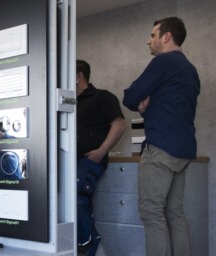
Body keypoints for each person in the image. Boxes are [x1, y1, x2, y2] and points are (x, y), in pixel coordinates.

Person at [122, 17, 200, 256]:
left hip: (161, 148)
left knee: (151, 211)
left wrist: (143, 103)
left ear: (166, 37)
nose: (149, 41)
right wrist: (149, 106)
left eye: (153, 35)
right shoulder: (190, 69)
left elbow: (131, 96)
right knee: (174, 211)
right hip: (184, 149)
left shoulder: (163, 62)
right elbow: (174, 104)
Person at [75, 60, 125, 256]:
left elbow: (119, 124)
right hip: (65, 163)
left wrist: (101, 151)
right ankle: (84, 243)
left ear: (78, 76)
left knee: (77, 197)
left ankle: (88, 244)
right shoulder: (65, 103)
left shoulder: (101, 97)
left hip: (88, 161)